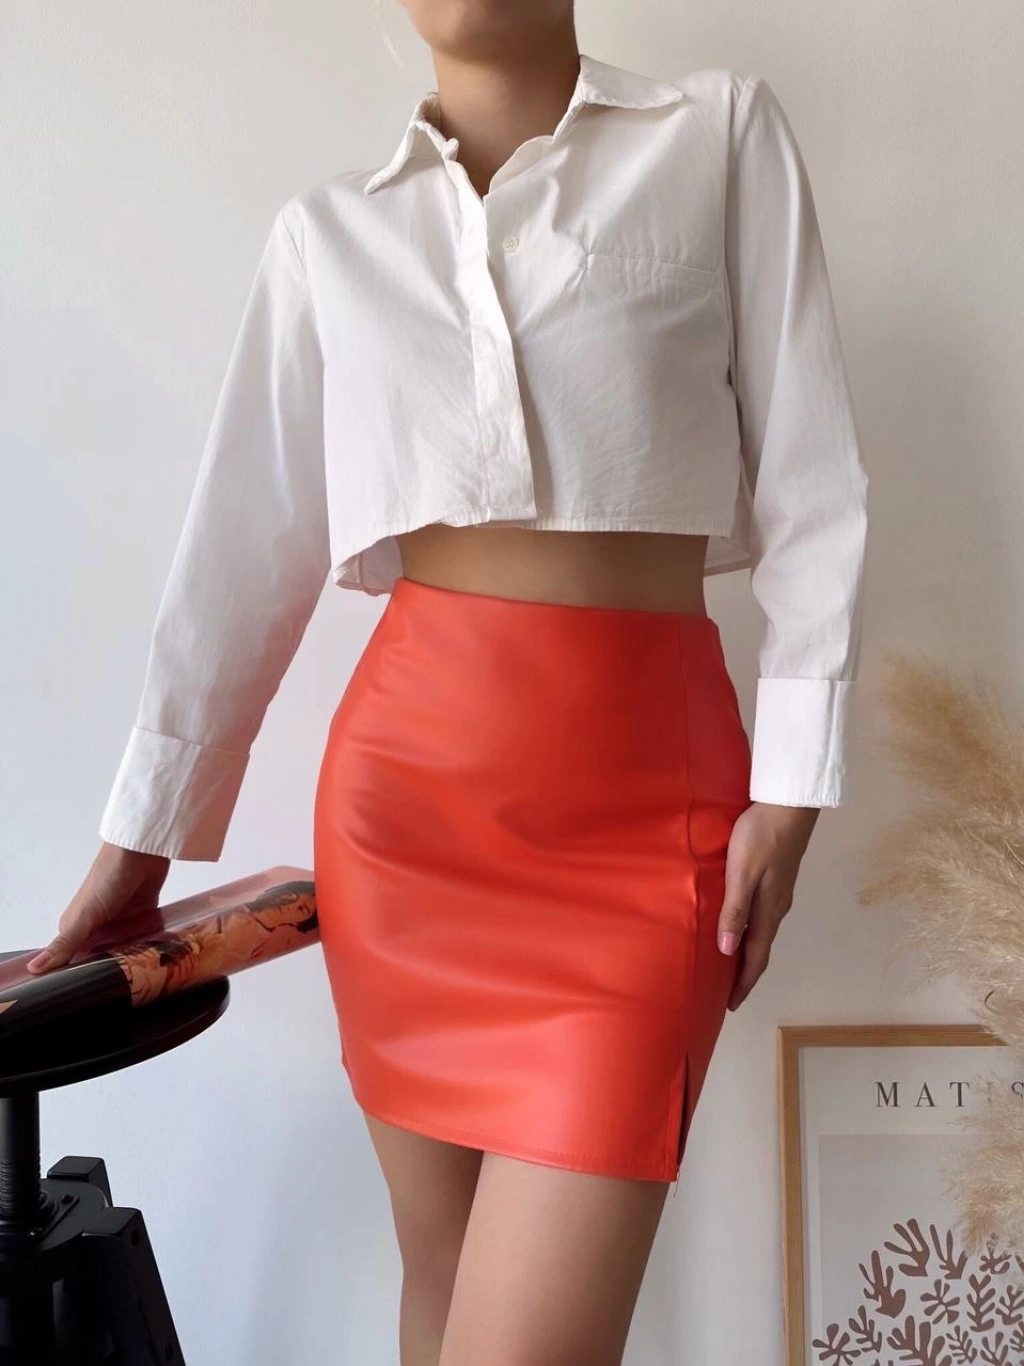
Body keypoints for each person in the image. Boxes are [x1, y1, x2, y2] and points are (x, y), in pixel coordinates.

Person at [28, 3, 869, 1362]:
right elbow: (240, 561)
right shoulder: (328, 234)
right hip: (405, 832)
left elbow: (817, 485)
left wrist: (796, 784)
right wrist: (138, 847)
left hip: (645, 831)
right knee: (437, 1278)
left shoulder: (717, 138)